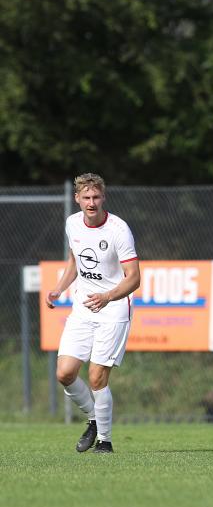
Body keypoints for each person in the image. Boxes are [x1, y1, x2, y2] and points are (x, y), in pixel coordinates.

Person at [45, 173, 141, 454]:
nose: (91, 202)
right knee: (64, 373)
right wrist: (59, 288)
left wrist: (108, 296)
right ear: (77, 198)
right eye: (86, 197)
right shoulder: (72, 223)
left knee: (97, 377)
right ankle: (94, 419)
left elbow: (133, 278)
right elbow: (75, 259)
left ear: (103, 198)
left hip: (113, 309)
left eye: (96, 197)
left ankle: (105, 442)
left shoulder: (118, 230)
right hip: (83, 309)